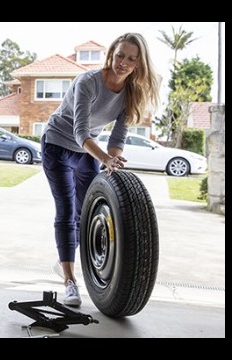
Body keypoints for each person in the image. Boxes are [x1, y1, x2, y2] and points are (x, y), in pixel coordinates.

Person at [40, 33, 160, 306]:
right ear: (111, 53)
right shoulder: (88, 82)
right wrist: (105, 158)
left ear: (139, 64)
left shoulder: (132, 93)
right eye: (120, 55)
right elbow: (80, 130)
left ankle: (64, 260)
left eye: (131, 59)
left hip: (87, 153)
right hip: (58, 144)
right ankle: (70, 281)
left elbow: (118, 137)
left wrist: (113, 160)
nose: (123, 63)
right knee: (67, 211)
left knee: (88, 213)